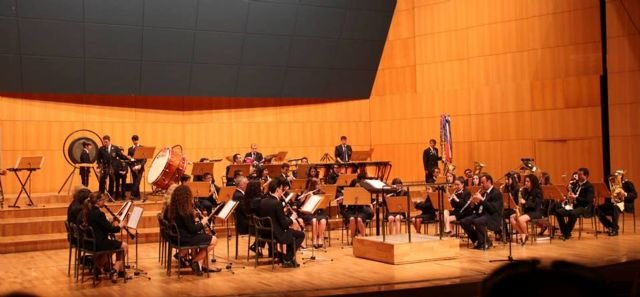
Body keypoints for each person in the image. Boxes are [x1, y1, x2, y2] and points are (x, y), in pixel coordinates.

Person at [168, 185, 220, 275]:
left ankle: (200, 265)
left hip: (177, 237)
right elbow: (192, 229)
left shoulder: (176, 207)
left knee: (206, 238)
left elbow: (186, 225)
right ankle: (195, 261)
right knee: (214, 240)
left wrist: (193, 217)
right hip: (185, 238)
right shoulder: (184, 210)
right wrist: (203, 222)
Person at [78, 191, 128, 282]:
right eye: (103, 200)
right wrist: (120, 226)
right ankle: (115, 270)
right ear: (98, 201)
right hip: (100, 243)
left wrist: (109, 221)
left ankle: (108, 267)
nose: (104, 202)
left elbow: (101, 225)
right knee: (124, 246)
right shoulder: (99, 214)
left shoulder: (88, 211)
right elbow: (111, 229)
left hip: (91, 242)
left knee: (116, 243)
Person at [256, 178, 305, 268]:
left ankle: (286, 258)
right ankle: (287, 258)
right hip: (276, 234)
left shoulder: (263, 201)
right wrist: (292, 219)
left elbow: (272, 216)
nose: (282, 192)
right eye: (281, 189)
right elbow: (283, 224)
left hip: (265, 233)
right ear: (278, 189)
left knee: (292, 233)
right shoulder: (277, 203)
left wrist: (283, 212)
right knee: (300, 234)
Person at [459, 174, 503, 250]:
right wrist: (473, 204)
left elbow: (493, 209)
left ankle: (485, 242)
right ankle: (477, 240)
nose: (481, 185)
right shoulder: (484, 193)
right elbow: (479, 208)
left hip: (492, 217)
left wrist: (482, 199)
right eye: (481, 183)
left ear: (489, 182)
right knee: (463, 221)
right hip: (481, 215)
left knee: (478, 221)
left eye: (483, 183)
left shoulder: (496, 193)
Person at [555, 168, 594, 240]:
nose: (578, 176)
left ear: (586, 176)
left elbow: (588, 200)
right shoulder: (575, 184)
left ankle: (566, 234)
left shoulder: (589, 186)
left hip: (584, 207)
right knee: (558, 212)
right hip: (574, 206)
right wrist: (569, 196)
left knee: (572, 213)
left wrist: (575, 198)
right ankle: (566, 233)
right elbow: (571, 195)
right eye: (578, 174)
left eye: (580, 175)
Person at [509, 174, 543, 245]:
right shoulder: (525, 191)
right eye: (525, 181)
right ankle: (522, 234)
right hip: (527, 212)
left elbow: (536, 205)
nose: (526, 183)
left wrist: (525, 202)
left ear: (532, 182)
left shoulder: (538, 192)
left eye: (528, 181)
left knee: (521, 219)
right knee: (511, 217)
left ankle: (526, 234)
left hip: (536, 212)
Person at [127, 135, 146, 200]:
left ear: (138, 140)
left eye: (136, 140)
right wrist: (132, 167)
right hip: (133, 168)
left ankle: (132, 194)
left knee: (137, 181)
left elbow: (144, 159)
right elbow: (129, 160)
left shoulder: (142, 148)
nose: (135, 141)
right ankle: (137, 196)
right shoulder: (130, 149)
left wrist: (140, 166)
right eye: (134, 140)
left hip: (140, 167)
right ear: (132, 140)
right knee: (135, 181)